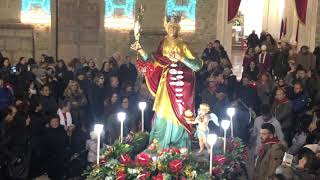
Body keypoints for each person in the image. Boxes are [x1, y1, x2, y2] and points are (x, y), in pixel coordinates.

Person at [131, 14, 202, 149]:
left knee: (179, 116)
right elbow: (153, 62)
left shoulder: (183, 44)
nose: (172, 28)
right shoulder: (163, 43)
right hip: (165, 86)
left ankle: (177, 146)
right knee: (161, 115)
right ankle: (159, 145)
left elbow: (197, 65)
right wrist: (140, 50)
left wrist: (181, 57)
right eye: (169, 26)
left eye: (175, 26)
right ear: (166, 27)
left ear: (178, 28)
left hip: (180, 88)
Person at [43, 115, 68, 180]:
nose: (55, 123)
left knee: (60, 174)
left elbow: (66, 142)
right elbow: (44, 146)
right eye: (53, 121)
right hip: (51, 157)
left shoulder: (62, 130)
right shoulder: (46, 131)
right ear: (50, 122)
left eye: (56, 121)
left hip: (61, 156)